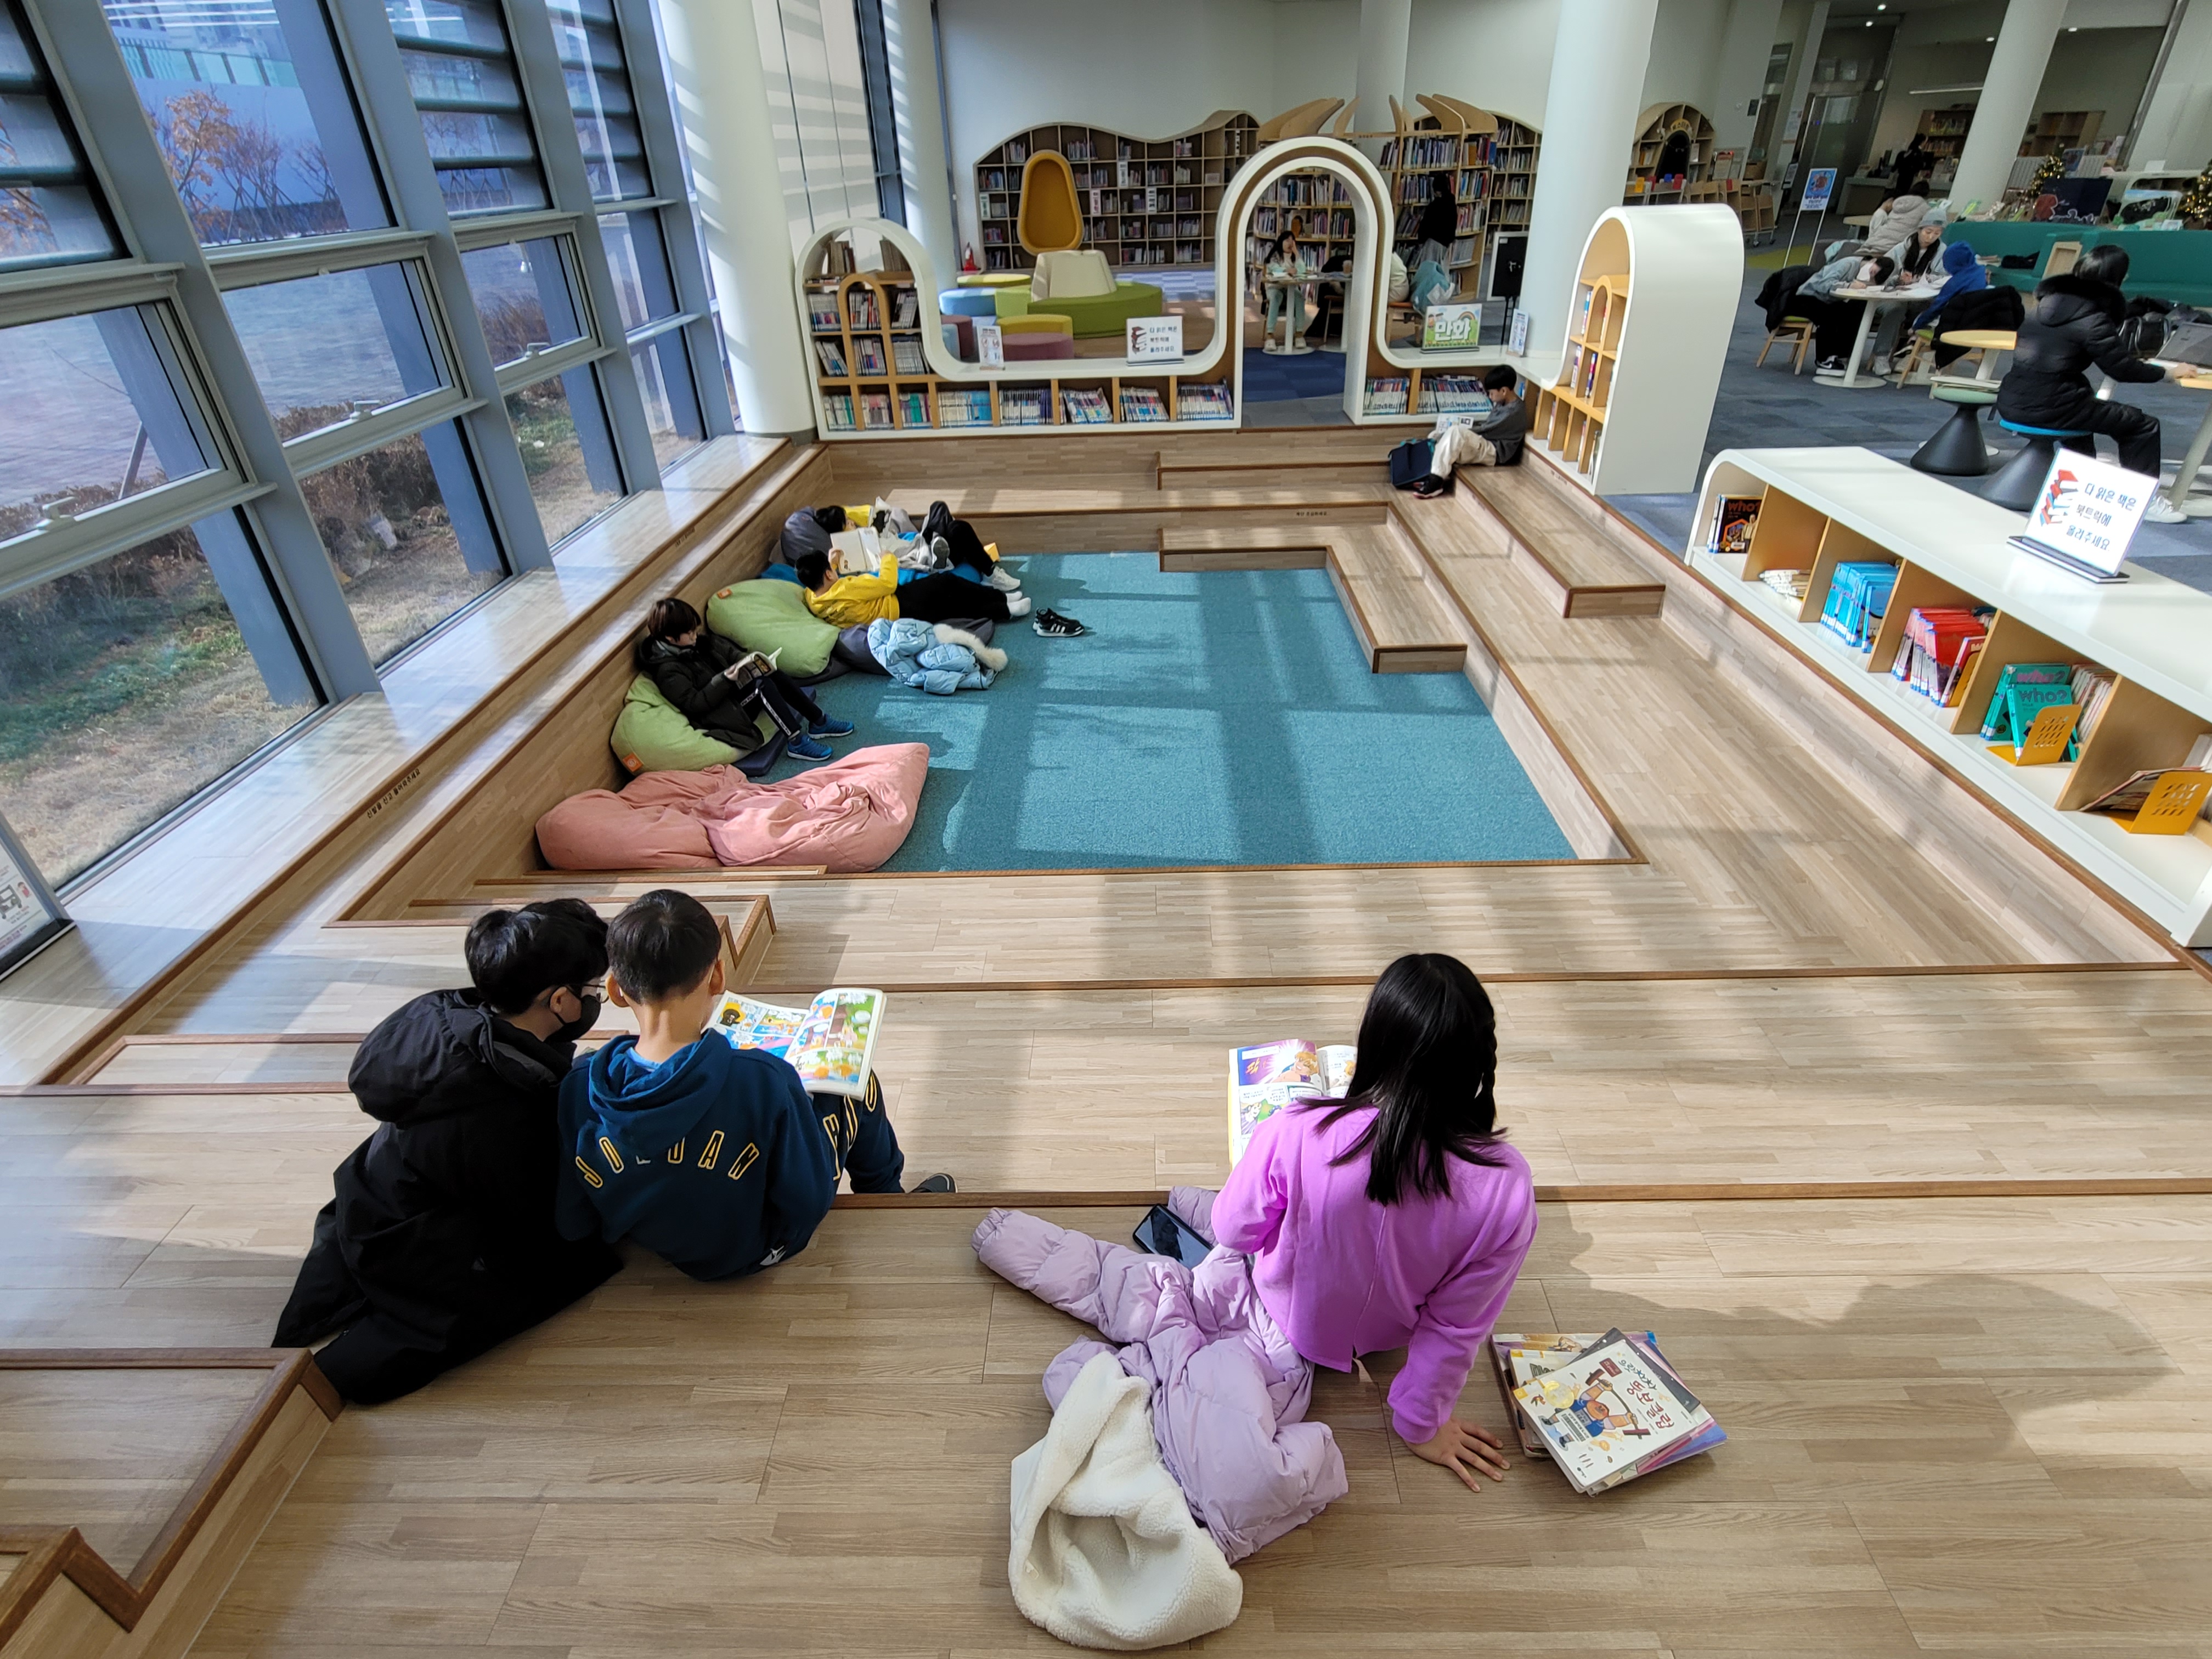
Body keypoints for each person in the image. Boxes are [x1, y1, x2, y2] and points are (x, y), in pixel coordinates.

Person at [272, 901, 624, 1403]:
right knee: (578, 1261)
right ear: (561, 1001)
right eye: (592, 992)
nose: (594, 1001)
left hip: (375, 1193)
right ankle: (310, 1388)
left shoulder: (449, 1016)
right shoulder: (502, 1112)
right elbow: (530, 1212)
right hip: (424, 1241)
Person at [1210, 952, 1538, 1491]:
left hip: (1288, 1317)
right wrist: (1420, 1427)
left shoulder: (1296, 1128)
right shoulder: (1508, 1189)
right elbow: (1455, 1328)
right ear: (1480, 1067)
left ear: (1374, 1045)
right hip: (1390, 1336)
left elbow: (1232, 1230)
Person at [555, 890, 951, 1280]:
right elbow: (808, 1202)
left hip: (659, 1244)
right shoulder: (765, 1081)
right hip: (756, 1250)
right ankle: (888, 1201)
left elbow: (574, 1218)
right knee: (853, 1076)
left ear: (616, 990)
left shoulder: (579, 1084)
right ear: (717, 977)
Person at [1997, 243, 2190, 522]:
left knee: (2082, 419)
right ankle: (2144, 502)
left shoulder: (2040, 307)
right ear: (2116, 278)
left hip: (2011, 399)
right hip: (2050, 407)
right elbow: (2121, 369)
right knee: (2142, 426)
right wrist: (2169, 373)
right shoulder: (2093, 319)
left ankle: (2078, 489)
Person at [636, 596, 853, 763]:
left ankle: (819, 721)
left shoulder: (698, 644)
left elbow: (731, 653)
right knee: (761, 687)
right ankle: (796, 741)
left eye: (695, 630)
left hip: (731, 694)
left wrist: (748, 662)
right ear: (670, 638)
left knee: (771, 673)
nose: (695, 636)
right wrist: (724, 679)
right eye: (689, 633)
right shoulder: (668, 671)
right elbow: (695, 705)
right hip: (720, 714)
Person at [795, 545, 1029, 628]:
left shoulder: (814, 600)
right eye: (830, 570)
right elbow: (887, 584)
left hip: (893, 616)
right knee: (947, 585)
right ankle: (1003, 604)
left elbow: (826, 585)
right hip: (898, 605)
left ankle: (1003, 604)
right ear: (828, 574)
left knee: (949, 604)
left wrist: (833, 564)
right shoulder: (846, 588)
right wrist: (887, 558)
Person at [1412, 367, 1526, 498]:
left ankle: (1435, 482)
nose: (1490, 397)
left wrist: (1455, 430)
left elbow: (1486, 430)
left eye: (1491, 393)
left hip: (1495, 451)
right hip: (1486, 442)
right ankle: (1428, 473)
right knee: (1436, 435)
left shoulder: (1513, 413)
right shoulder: (1504, 402)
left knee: (1454, 433)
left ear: (1504, 391)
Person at [1786, 244, 1895, 373]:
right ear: (1873, 261)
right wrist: (1848, 286)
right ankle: (1824, 359)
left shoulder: (1875, 277)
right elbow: (1823, 285)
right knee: (1830, 315)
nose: (1870, 276)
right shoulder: (1848, 264)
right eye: (1872, 272)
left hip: (1831, 300)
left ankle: (1843, 355)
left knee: (1855, 311)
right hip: (1809, 296)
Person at [1262, 233, 1310, 343]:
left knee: (1300, 298)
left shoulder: (1294, 257)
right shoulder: (1275, 255)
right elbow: (1274, 269)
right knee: (1276, 298)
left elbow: (1302, 270)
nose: (1290, 244)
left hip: (1291, 288)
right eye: (1287, 241)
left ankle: (1299, 333)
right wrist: (1287, 270)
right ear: (1281, 242)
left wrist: (1297, 253)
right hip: (1275, 287)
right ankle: (1270, 334)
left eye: (1292, 241)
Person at [1859, 192, 1931, 258]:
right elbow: (1875, 231)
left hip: (1874, 245)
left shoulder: (1888, 214)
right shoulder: (1881, 214)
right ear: (1890, 201)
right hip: (1883, 249)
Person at [1412, 172, 1457, 270]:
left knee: (1428, 271)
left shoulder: (1434, 207)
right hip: (1446, 244)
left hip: (1433, 243)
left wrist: (1421, 241)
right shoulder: (1452, 203)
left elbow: (1425, 226)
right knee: (1440, 271)